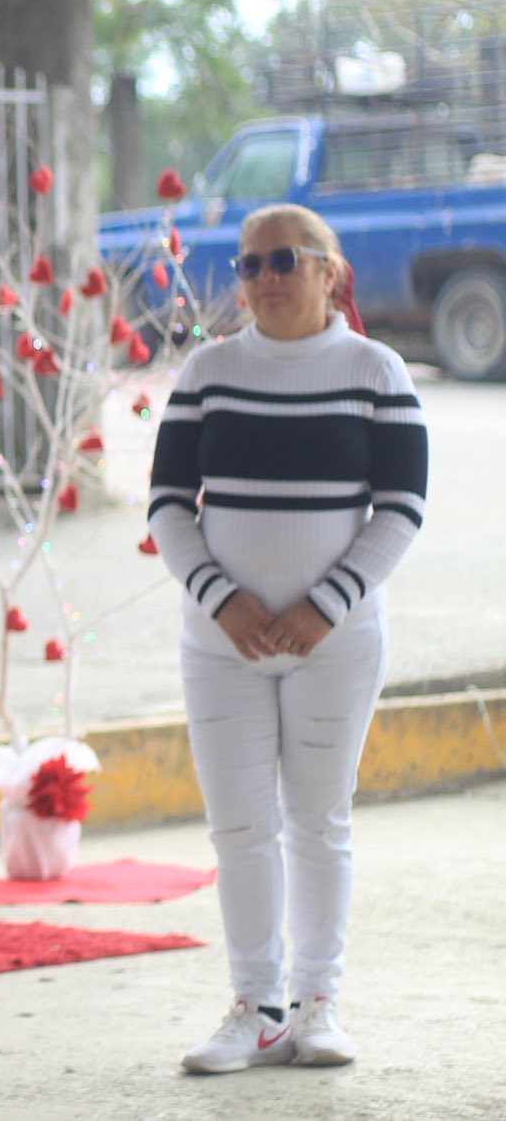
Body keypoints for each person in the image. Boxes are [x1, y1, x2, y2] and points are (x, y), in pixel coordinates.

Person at [148, 204, 427, 1075]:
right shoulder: (208, 371)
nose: (263, 278)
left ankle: (317, 1002)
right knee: (238, 827)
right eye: (249, 264)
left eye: (283, 260)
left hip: (335, 644)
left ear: (329, 272)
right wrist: (221, 601)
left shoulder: (376, 371)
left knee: (317, 821)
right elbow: (167, 507)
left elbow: (402, 510)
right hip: (218, 646)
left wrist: (324, 607)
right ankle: (257, 1009)